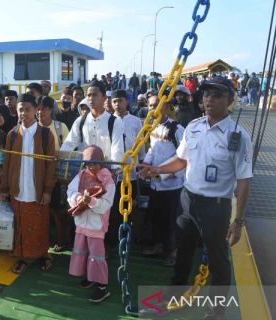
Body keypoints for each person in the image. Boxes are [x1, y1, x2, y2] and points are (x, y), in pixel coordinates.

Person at [138, 76, 252, 319]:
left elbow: (244, 180)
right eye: (206, 94)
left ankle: (216, 311)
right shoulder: (193, 127)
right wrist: (157, 169)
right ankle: (172, 297)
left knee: (218, 261)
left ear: (230, 101)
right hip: (187, 201)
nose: (209, 99)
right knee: (183, 252)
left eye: (217, 94)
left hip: (216, 207)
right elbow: (181, 160)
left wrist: (238, 221)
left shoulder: (238, 136)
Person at [0, 93, 56, 274]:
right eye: (20, 109)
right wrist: (4, 188)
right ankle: (22, 257)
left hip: (37, 190)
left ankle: (43, 254)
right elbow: (7, 162)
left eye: (27, 109)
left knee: (40, 223)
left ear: (35, 111)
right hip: (18, 189)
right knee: (20, 224)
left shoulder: (46, 135)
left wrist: (47, 190)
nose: (24, 113)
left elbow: (51, 166)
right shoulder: (13, 135)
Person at [140, 94, 184, 267]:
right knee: (155, 216)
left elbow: (183, 156)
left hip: (171, 184)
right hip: (155, 183)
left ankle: (172, 251)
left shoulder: (177, 129)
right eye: (150, 106)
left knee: (171, 220)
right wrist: (145, 164)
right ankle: (158, 246)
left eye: (157, 105)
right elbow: (152, 149)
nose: (153, 109)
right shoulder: (152, 128)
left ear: (166, 107)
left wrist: (165, 174)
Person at [67, 145, 115, 303]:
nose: (91, 167)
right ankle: (91, 277)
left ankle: (102, 286)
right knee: (83, 250)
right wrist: (78, 198)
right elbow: (70, 190)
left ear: (101, 162)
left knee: (97, 255)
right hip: (81, 223)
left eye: (94, 163)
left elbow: (107, 203)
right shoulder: (81, 175)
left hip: (96, 224)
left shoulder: (108, 179)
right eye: (88, 163)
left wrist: (91, 201)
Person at [108, 90, 145, 251]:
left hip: (132, 170)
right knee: (114, 206)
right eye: (114, 101)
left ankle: (129, 238)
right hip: (113, 173)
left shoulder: (136, 121)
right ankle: (113, 239)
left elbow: (141, 144)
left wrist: (141, 163)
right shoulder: (108, 120)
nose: (117, 104)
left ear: (127, 102)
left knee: (130, 206)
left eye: (120, 100)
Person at [61, 80, 125, 167]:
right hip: (84, 172)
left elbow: (117, 150)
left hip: (106, 173)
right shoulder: (80, 121)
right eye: (89, 95)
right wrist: (59, 160)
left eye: (94, 95)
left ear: (104, 97)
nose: (91, 98)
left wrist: (113, 171)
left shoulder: (115, 122)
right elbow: (68, 144)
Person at [37, 96, 70, 252]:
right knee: (41, 210)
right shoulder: (32, 128)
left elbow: (68, 152)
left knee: (57, 210)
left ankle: (61, 240)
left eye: (44, 108)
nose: (40, 112)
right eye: (38, 108)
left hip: (57, 176)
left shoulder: (60, 127)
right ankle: (44, 238)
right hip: (37, 176)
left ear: (51, 109)